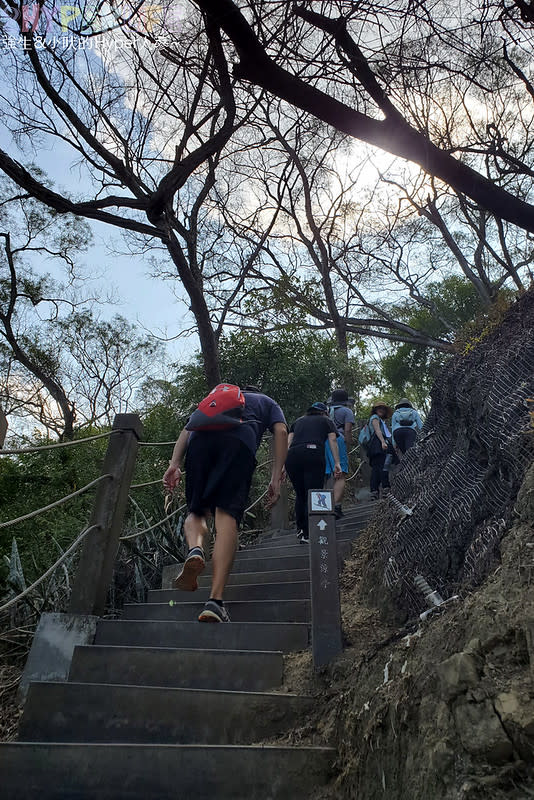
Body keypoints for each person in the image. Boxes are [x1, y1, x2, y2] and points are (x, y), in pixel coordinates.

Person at [162, 385, 288, 623]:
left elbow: (187, 429)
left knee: (196, 511)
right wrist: (276, 477)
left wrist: (175, 464)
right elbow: (281, 433)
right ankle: (214, 602)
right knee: (226, 517)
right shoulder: (266, 401)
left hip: (199, 444)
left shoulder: (212, 398)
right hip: (238, 444)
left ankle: (195, 549)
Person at [285, 402, 342, 543]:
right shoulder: (326, 421)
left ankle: (301, 531)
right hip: (313, 454)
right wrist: (337, 463)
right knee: (313, 493)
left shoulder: (297, 421)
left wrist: (282, 467)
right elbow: (333, 439)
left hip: (293, 456)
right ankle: (311, 532)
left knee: (301, 494)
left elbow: (288, 443)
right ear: (324, 412)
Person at [324, 389, 355, 518]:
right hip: (338, 440)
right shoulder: (346, 411)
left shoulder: (325, 411)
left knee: (327, 474)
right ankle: (335, 506)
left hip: (324, 441)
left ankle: (324, 506)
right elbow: (347, 430)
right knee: (340, 474)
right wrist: (348, 443)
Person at [367, 400, 395, 500]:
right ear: (375, 410)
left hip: (380, 445)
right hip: (377, 446)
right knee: (380, 467)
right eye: (379, 408)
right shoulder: (374, 418)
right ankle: (384, 488)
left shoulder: (382, 421)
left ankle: (375, 491)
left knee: (378, 468)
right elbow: (377, 430)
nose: (381, 410)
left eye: (383, 408)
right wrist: (383, 442)